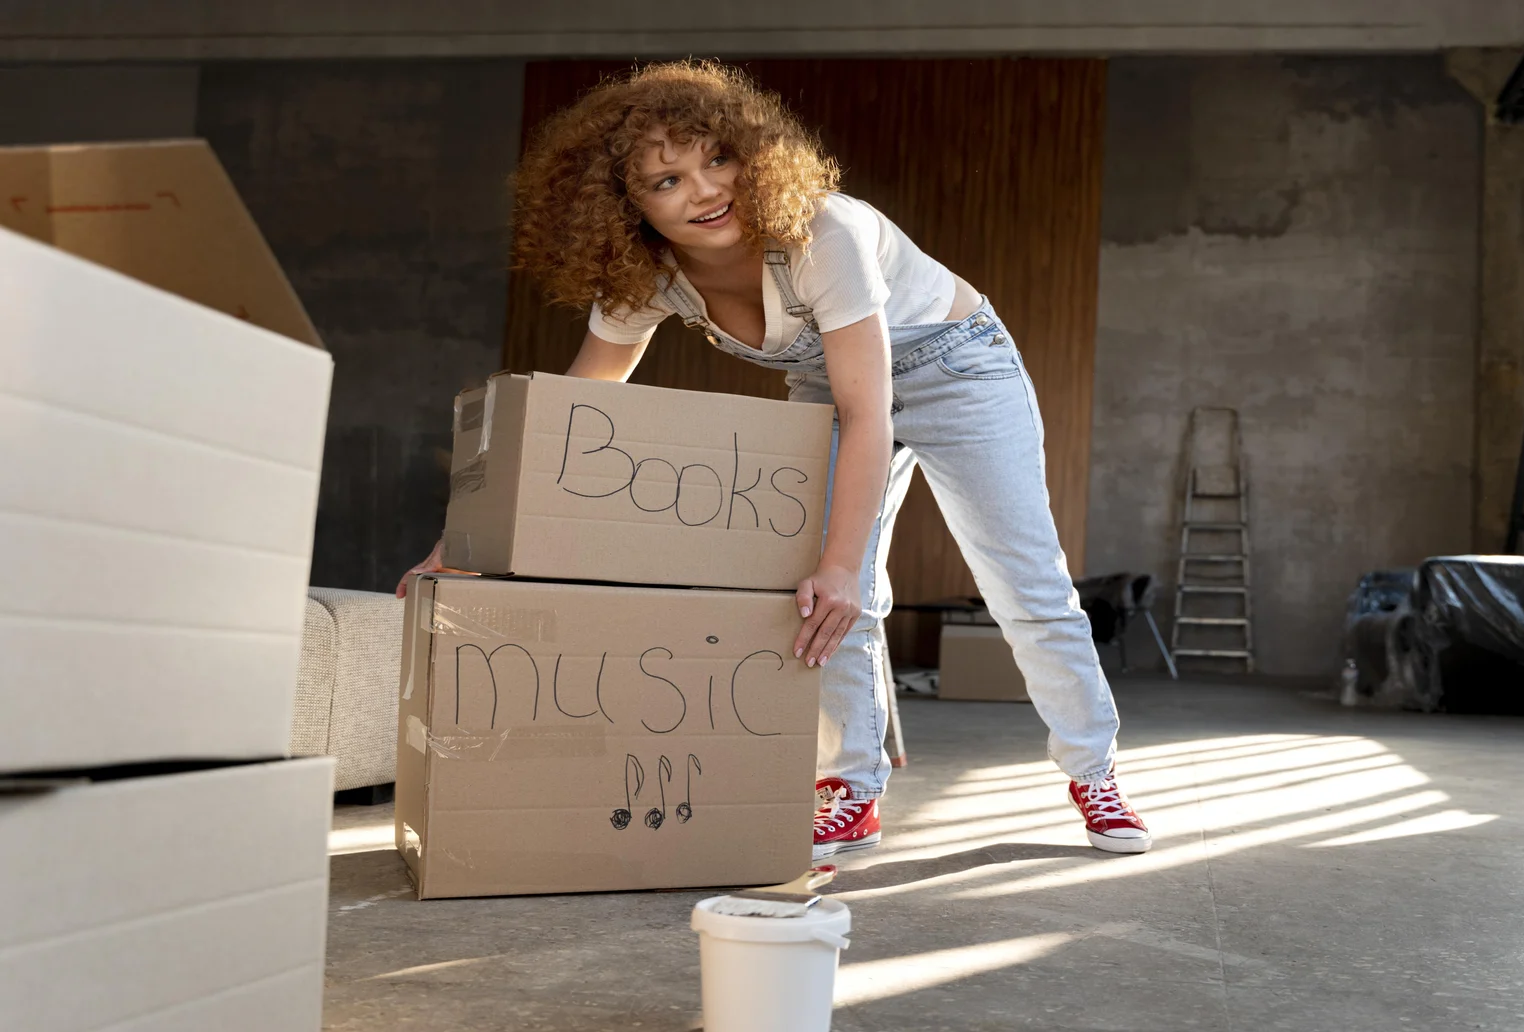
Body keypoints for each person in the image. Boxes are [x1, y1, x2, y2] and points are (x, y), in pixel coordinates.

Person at [413, 60, 1150, 861]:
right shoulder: (646, 278)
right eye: (666, 180)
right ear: (624, 206)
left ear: (751, 152)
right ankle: (852, 789)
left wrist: (841, 562)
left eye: (716, 159)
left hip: (956, 365)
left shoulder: (818, 231)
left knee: (1024, 584)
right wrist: (467, 540)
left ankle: (1094, 773)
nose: (702, 191)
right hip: (827, 383)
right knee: (825, 598)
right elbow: (574, 408)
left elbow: (870, 413)